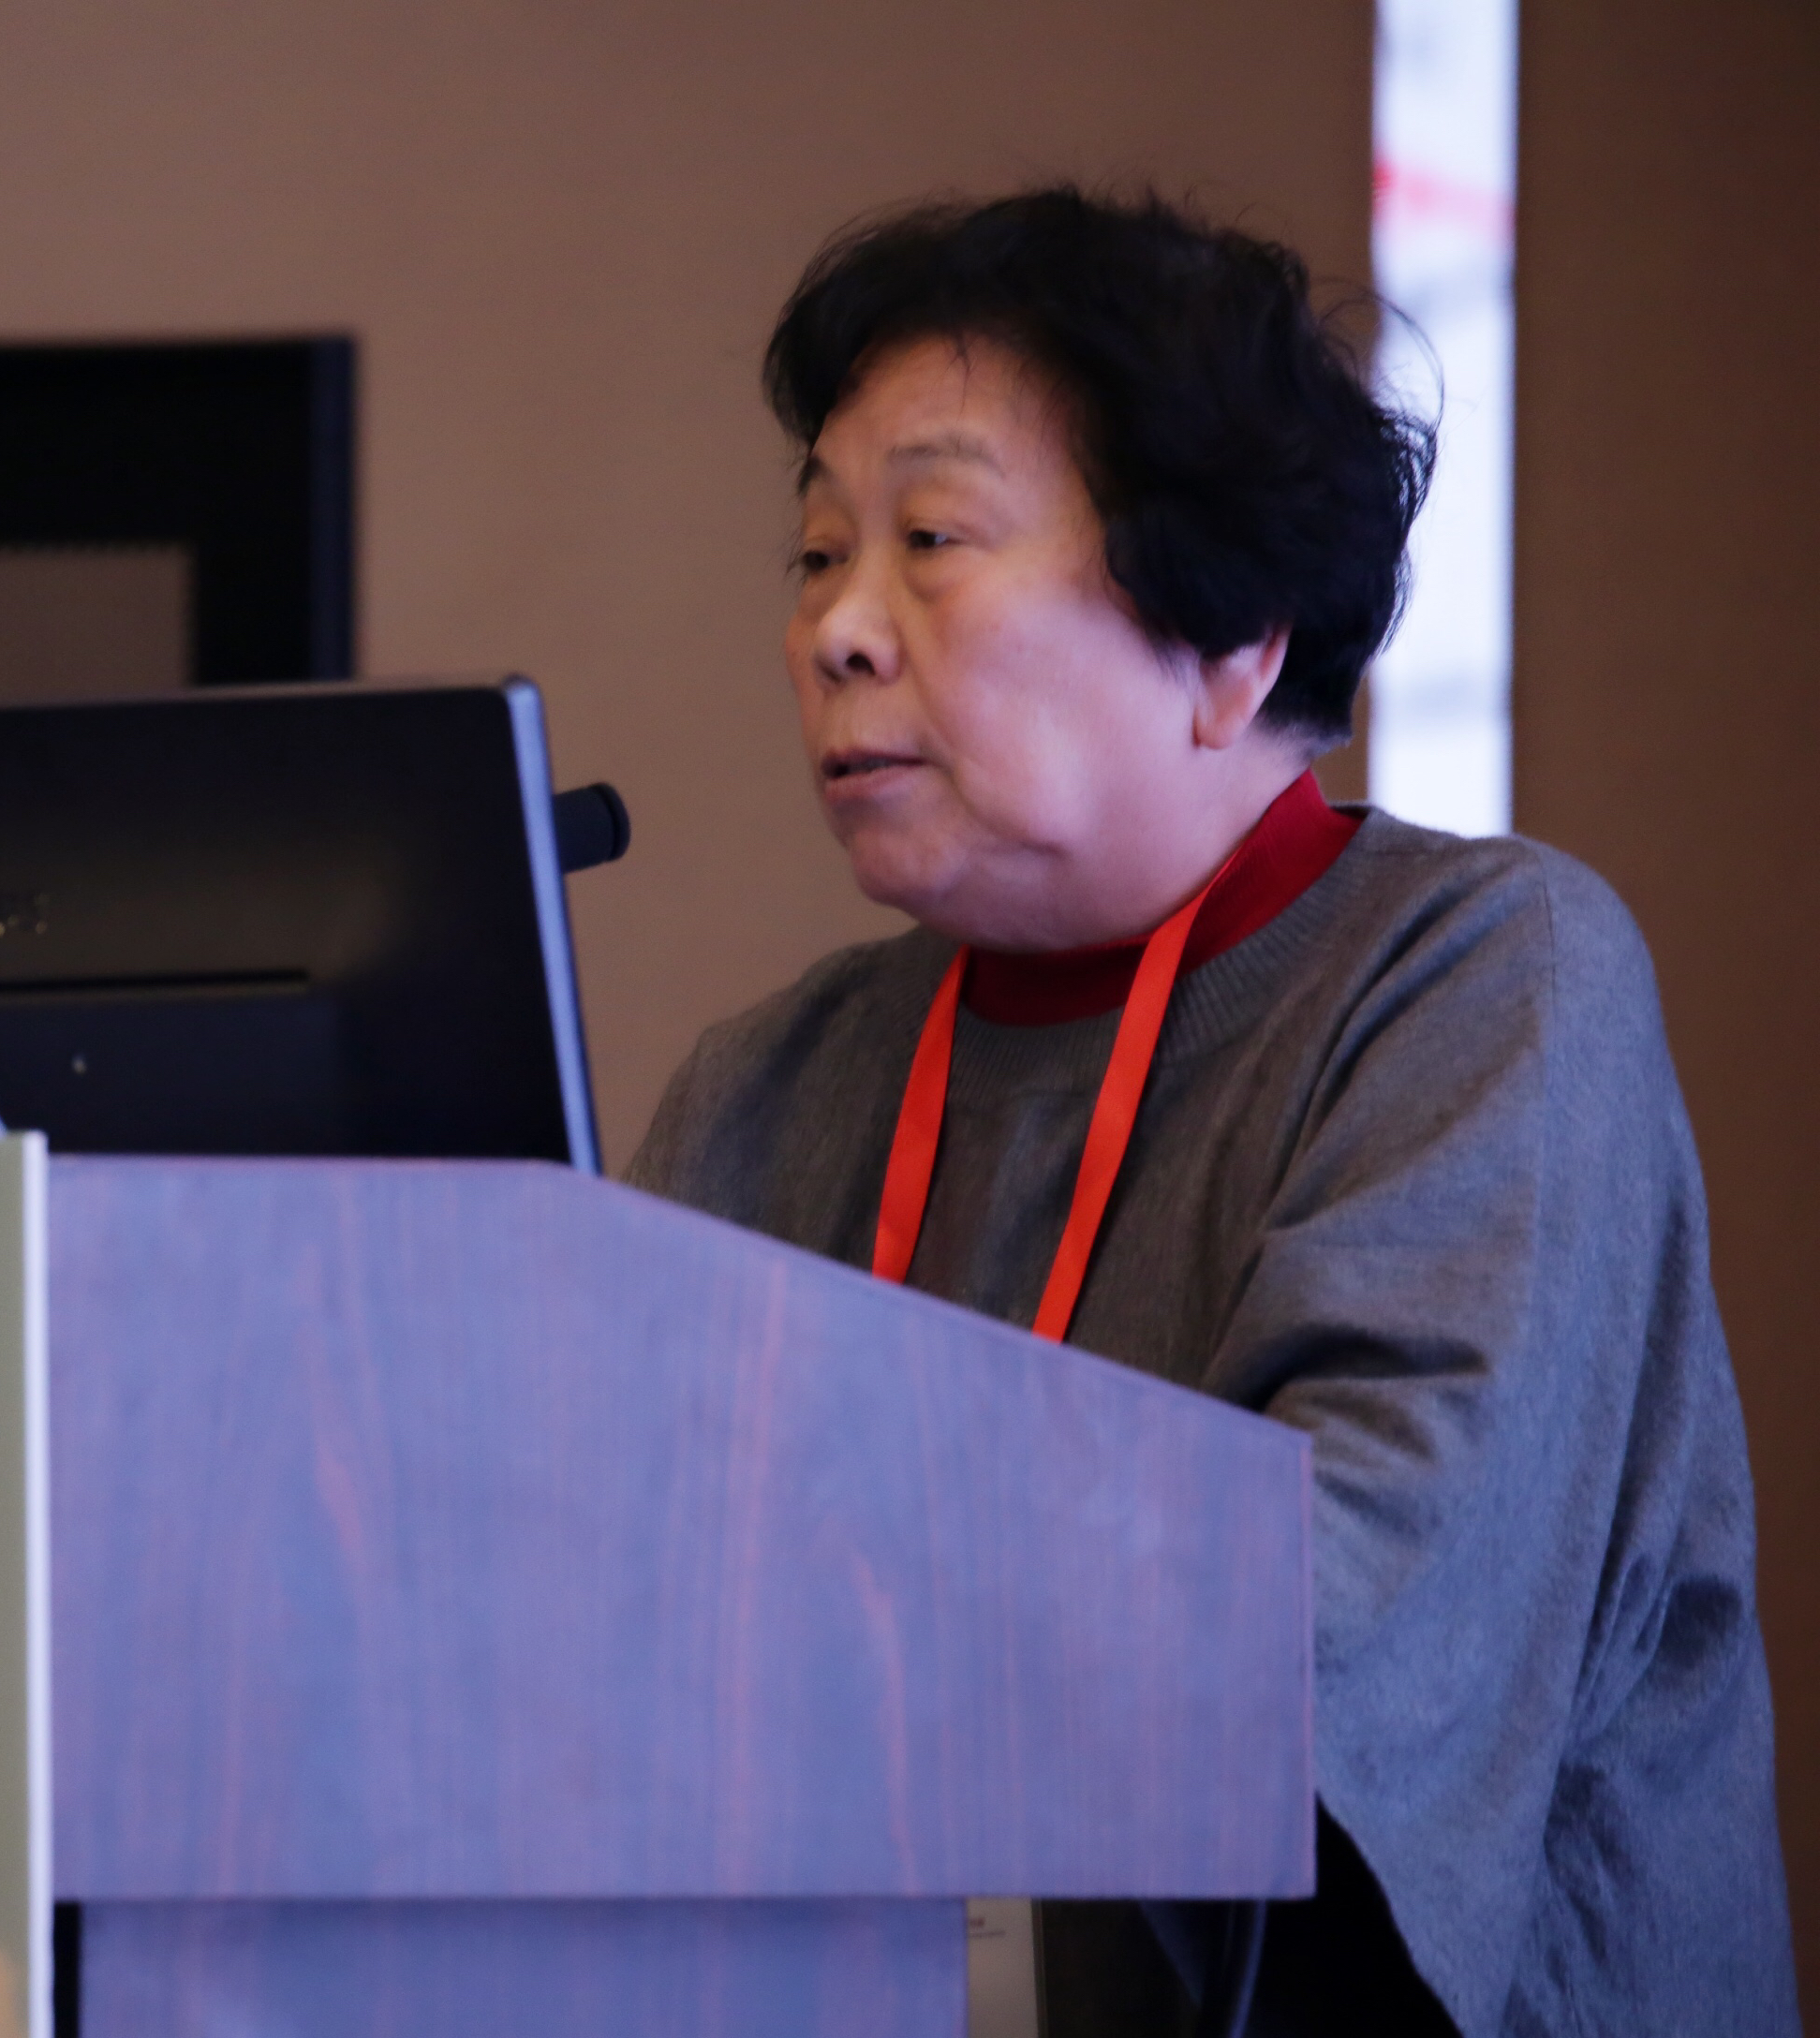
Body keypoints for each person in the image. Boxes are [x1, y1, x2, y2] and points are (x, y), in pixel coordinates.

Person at [625, 187, 1795, 2035]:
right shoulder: (763, 1086)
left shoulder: (1484, 977)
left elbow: (1320, 1634)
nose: (836, 627)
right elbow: (594, 1649)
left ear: (1237, 634)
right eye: (816, 551)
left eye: (929, 539)